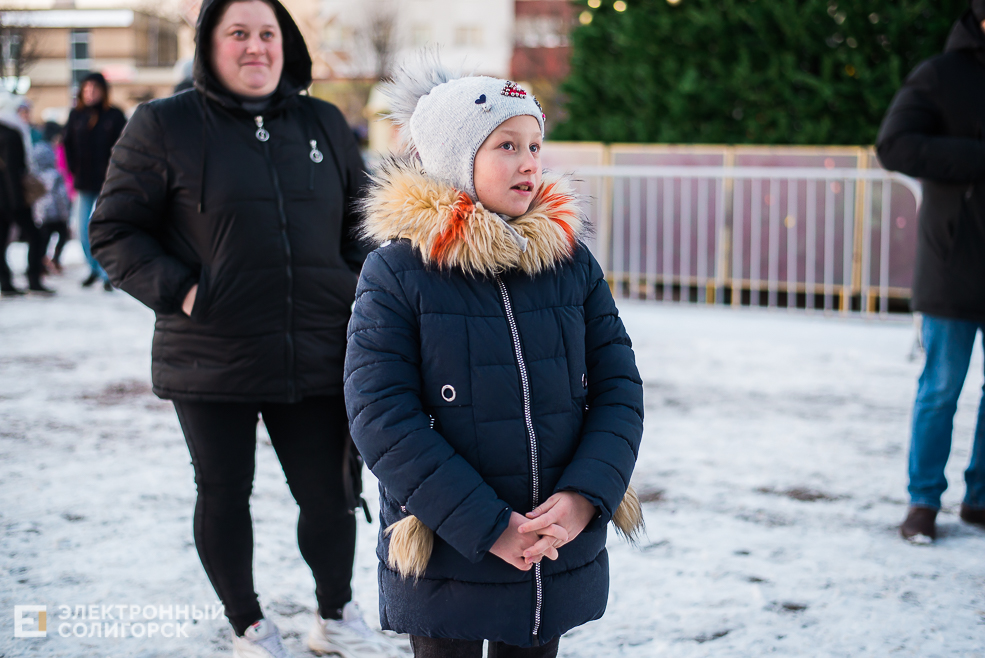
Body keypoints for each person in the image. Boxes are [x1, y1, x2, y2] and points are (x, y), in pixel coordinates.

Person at [89, 1, 403, 656]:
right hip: (212, 352)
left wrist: (352, 289)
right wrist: (185, 291)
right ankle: (249, 625)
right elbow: (115, 230)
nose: (256, 46)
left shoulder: (323, 122)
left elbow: (364, 223)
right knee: (225, 493)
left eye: (268, 33)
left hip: (318, 348)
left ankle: (334, 613)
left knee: (331, 494)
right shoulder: (163, 125)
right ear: (210, 44)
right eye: (239, 33)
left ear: (286, 44)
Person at [343, 58, 645, 657]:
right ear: (456, 158)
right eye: (507, 145)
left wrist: (585, 496)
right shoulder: (399, 271)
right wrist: (489, 525)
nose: (529, 162)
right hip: (449, 544)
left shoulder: (569, 262)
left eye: (535, 144)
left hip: (552, 541)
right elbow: (381, 415)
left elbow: (619, 388)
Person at [877, 1, 985, 544]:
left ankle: (980, 498)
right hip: (953, 261)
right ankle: (923, 502)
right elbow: (893, 145)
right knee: (941, 387)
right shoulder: (941, 74)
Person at [63, 72, 126, 291]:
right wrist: (74, 169)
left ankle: (107, 272)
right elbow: (67, 144)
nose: (90, 93)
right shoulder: (76, 115)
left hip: (109, 182)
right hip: (84, 181)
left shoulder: (114, 116)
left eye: (95, 88)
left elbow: (124, 147)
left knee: (106, 228)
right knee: (82, 230)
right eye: (86, 89)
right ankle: (94, 268)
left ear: (103, 91)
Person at [0, 92, 50, 295]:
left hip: (4, 197)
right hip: (12, 197)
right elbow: (11, 170)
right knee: (35, 236)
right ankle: (34, 279)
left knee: (2, 239)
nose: (23, 114)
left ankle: (5, 282)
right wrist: (18, 202)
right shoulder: (12, 134)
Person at [33, 140, 72, 274]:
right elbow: (62, 197)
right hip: (57, 216)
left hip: (43, 216)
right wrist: (66, 214)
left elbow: (34, 201)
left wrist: (37, 215)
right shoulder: (56, 176)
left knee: (44, 240)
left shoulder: (35, 176)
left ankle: (42, 262)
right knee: (62, 236)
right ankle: (55, 258)